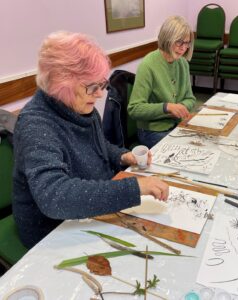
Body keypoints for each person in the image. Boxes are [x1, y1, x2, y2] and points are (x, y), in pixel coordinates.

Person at [12, 31, 169, 249]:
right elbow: (54, 196)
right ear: (62, 85)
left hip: (89, 207)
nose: (100, 94)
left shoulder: (80, 106)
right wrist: (134, 188)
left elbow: (97, 145)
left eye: (102, 85)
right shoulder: (36, 125)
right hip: (52, 228)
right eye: (92, 87)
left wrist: (122, 156)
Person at [128, 16, 196, 149]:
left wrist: (181, 107)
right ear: (167, 38)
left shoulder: (183, 63)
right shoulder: (148, 65)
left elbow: (191, 99)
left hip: (177, 124)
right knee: (184, 150)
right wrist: (166, 107)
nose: (183, 48)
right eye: (179, 42)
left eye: (187, 43)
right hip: (152, 131)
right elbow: (134, 109)